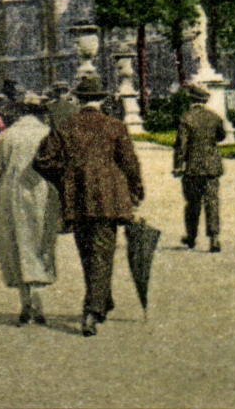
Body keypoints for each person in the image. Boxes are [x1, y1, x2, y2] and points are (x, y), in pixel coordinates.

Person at [33, 73, 145, 337]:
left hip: (77, 197)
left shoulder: (66, 126)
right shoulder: (115, 126)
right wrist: (135, 191)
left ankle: (102, 300)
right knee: (103, 251)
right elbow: (130, 163)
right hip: (109, 196)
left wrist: (65, 177)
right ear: (102, 100)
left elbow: (42, 160)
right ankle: (92, 309)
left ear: (79, 100)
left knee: (87, 253)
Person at [0, 93, 60, 325]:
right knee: (39, 243)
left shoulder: (8, 135)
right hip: (43, 193)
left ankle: (26, 302)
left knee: (17, 243)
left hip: (12, 194)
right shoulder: (47, 133)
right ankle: (37, 299)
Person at [173, 83, 226, 253]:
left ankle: (191, 237)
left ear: (191, 101)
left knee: (193, 203)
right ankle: (215, 237)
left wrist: (178, 165)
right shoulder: (215, 117)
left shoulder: (186, 119)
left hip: (193, 168)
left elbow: (181, 145)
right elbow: (221, 136)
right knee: (212, 201)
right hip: (212, 166)